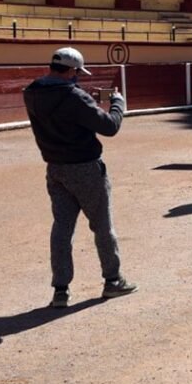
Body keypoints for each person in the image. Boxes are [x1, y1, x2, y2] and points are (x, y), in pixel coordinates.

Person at [23, 47, 137, 308]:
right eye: (78, 73)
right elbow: (109, 126)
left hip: (56, 168)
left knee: (62, 229)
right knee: (102, 226)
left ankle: (60, 290)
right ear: (73, 71)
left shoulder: (32, 93)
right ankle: (113, 281)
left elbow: (67, 102)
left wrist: (91, 99)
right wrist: (117, 102)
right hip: (85, 168)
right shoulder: (75, 97)